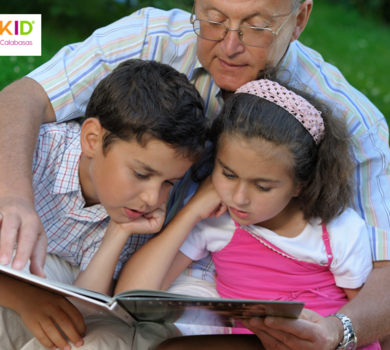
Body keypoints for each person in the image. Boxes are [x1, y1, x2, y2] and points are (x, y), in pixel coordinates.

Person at [0, 0, 390, 348]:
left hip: (176, 276)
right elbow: (18, 100)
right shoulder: (151, 38)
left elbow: (383, 273)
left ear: (299, 18)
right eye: (214, 20)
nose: (230, 45)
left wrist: (339, 332)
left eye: (257, 26)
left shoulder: (351, 122)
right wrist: (11, 198)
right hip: (7, 209)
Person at [0, 59, 208, 349]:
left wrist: (119, 232)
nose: (153, 197)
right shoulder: (39, 153)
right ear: (92, 140)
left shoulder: (135, 210)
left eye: (169, 182)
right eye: (141, 173)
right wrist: (26, 299)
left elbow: (87, 302)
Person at [115, 79, 380, 350]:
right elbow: (131, 298)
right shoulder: (215, 224)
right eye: (228, 174)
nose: (239, 197)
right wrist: (192, 210)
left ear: (300, 184)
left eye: (262, 186)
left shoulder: (336, 230)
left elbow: (374, 320)